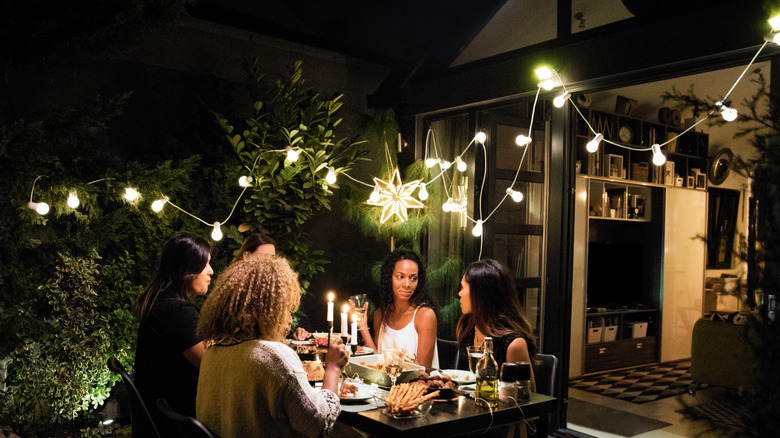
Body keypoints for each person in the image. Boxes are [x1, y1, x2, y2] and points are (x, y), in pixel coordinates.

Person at [196, 255, 348, 438]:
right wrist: (332, 368)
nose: (289, 318)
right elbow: (320, 424)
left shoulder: (212, 352)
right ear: (270, 309)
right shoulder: (275, 357)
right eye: (285, 307)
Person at [134, 231, 214, 437]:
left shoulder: (160, 304)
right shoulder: (176, 312)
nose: (211, 271)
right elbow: (213, 367)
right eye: (205, 264)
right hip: (181, 421)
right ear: (186, 269)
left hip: (166, 416)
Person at [357, 248, 439, 368]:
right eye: (401, 277)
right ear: (389, 278)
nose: (407, 284)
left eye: (413, 278)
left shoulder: (425, 316)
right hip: (386, 385)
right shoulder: (380, 315)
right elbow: (376, 361)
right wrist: (363, 327)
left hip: (418, 385)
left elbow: (423, 369)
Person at [456, 259, 538, 375]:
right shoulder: (466, 327)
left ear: (480, 294)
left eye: (463, 287)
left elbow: (526, 392)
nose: (459, 293)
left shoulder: (513, 344)